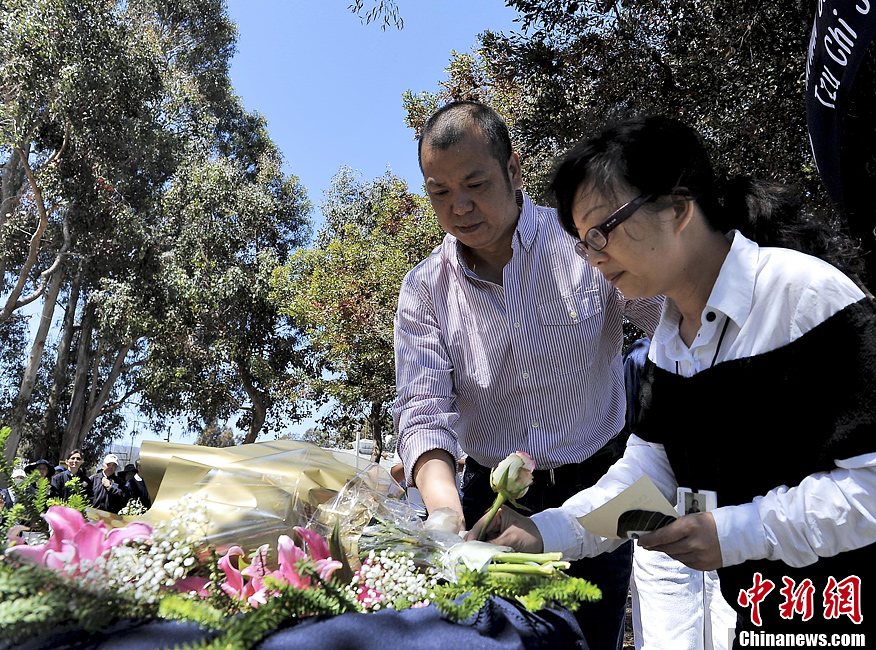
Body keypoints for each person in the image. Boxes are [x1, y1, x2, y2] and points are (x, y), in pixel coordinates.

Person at [468, 114, 875, 641]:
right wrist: (544, 532)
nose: (592, 258)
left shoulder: (803, 297)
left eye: (600, 233)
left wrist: (737, 532)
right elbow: (648, 485)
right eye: (581, 242)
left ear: (678, 209)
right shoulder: (670, 344)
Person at [393, 100, 663, 649]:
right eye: (439, 193)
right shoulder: (425, 290)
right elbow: (424, 410)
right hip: (486, 503)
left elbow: (672, 320)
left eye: (475, 184)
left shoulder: (583, 242)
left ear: (514, 170)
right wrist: (445, 514)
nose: (460, 207)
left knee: (590, 637)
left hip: (598, 486)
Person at [624, 337, 736, 650]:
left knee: (728, 629)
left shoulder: (751, 345)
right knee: (670, 637)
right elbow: (638, 447)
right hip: (663, 521)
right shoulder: (645, 357)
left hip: (732, 523)